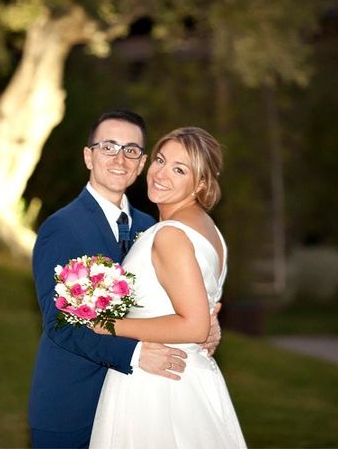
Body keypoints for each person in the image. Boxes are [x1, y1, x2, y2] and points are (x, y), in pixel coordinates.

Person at [29, 111, 221, 449]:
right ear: (89, 156)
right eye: (108, 147)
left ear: (142, 161)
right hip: (73, 404)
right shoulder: (62, 228)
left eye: (131, 150)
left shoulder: (152, 227)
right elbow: (59, 324)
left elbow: (174, 294)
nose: (120, 159)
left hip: (138, 407)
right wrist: (132, 353)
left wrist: (207, 319)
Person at [90, 126, 247, 448]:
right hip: (191, 377)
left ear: (201, 183)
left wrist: (108, 325)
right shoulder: (209, 231)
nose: (160, 174)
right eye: (160, 160)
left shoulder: (170, 235)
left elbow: (193, 324)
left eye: (179, 170)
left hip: (157, 387)